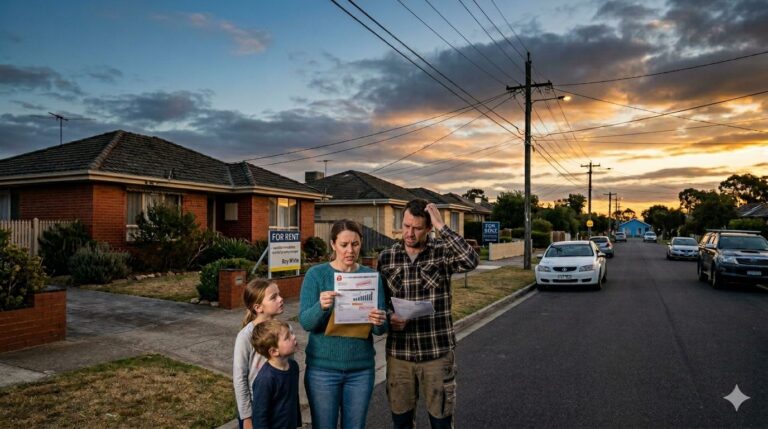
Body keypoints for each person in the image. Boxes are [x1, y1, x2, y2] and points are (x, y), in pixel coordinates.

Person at [378, 199, 479, 429]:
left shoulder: (443, 253)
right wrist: (388, 317)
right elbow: (379, 301)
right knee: (401, 423)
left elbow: (471, 260)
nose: (409, 233)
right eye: (405, 226)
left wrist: (443, 226)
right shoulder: (387, 257)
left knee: (441, 422)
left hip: (436, 352)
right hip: (399, 355)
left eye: (417, 228)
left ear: (429, 228)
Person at [299, 219, 388, 429]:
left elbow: (380, 329)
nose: (350, 250)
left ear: (361, 243)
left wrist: (380, 320)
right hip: (322, 369)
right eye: (344, 245)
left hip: (360, 370)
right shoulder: (316, 275)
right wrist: (321, 306)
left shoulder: (372, 276)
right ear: (333, 244)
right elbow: (305, 322)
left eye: (355, 244)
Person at [233, 279, 285, 429]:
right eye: (274, 297)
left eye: (279, 295)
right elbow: (240, 378)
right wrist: (247, 417)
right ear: (258, 307)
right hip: (257, 407)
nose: (281, 299)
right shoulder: (245, 336)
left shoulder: (285, 331)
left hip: (280, 405)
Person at [250, 319, 302, 429]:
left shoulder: (293, 367)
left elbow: (293, 399)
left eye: (291, 333)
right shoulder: (266, 379)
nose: (293, 337)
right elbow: (259, 416)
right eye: (287, 337)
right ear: (274, 351)